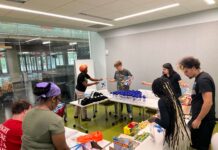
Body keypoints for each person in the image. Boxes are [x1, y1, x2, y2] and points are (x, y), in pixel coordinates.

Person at [179, 57, 216, 150]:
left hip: (204, 121)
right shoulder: (199, 78)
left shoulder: (203, 79)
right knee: (194, 142)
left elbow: (208, 102)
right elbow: (199, 97)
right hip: (199, 118)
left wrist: (198, 119)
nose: (185, 74)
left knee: (201, 146)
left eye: (186, 71)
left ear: (193, 68)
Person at [22, 82, 69, 150]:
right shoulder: (55, 120)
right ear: (53, 99)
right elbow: (63, 148)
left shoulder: (28, 114)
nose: (59, 103)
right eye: (59, 99)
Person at [150, 77, 191, 150]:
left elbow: (165, 124)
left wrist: (155, 119)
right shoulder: (174, 97)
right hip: (183, 133)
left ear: (156, 90)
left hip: (174, 138)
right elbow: (173, 112)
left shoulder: (162, 101)